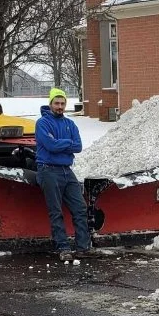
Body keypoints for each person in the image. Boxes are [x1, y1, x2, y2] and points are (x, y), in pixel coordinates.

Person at [35, 88, 90, 259]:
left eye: (62, 103)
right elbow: (50, 146)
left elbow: (78, 146)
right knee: (56, 211)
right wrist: (67, 142)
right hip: (48, 170)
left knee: (80, 208)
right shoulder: (42, 123)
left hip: (67, 171)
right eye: (56, 103)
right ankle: (63, 248)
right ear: (50, 104)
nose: (60, 106)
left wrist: (59, 143)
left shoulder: (70, 124)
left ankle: (83, 248)